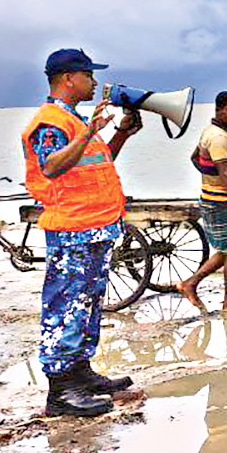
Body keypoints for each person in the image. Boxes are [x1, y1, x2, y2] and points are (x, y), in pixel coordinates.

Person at [22, 48, 144, 416]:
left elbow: (94, 163)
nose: (94, 83)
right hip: (72, 228)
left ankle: (81, 374)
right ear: (68, 79)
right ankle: (60, 391)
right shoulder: (51, 122)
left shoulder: (73, 120)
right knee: (66, 304)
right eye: (89, 76)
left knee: (88, 304)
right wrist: (91, 129)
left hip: (94, 227)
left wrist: (120, 134)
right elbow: (53, 166)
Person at [179, 91, 227, 314]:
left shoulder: (214, 132)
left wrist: (208, 175)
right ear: (218, 110)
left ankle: (191, 283)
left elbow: (195, 158)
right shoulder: (219, 138)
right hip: (223, 202)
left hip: (216, 198)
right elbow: (225, 174)